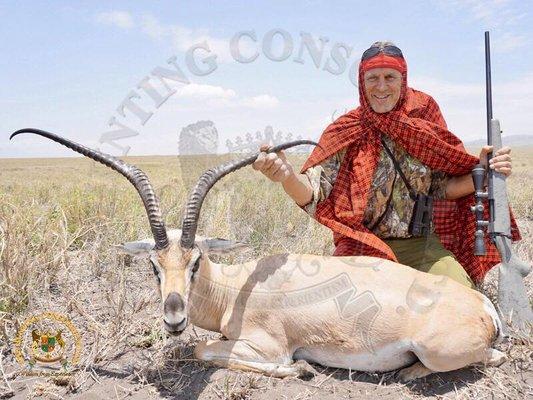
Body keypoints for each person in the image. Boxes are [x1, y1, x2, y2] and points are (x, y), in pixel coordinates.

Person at [252, 41, 520, 287]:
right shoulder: (346, 131)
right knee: (337, 307)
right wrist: (286, 176)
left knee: (458, 300)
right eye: (373, 78)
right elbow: (314, 194)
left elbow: (443, 188)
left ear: (403, 80)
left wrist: (484, 173)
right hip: (362, 246)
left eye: (389, 77)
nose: (381, 87)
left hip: (422, 247)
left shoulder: (424, 118)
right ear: (361, 81)